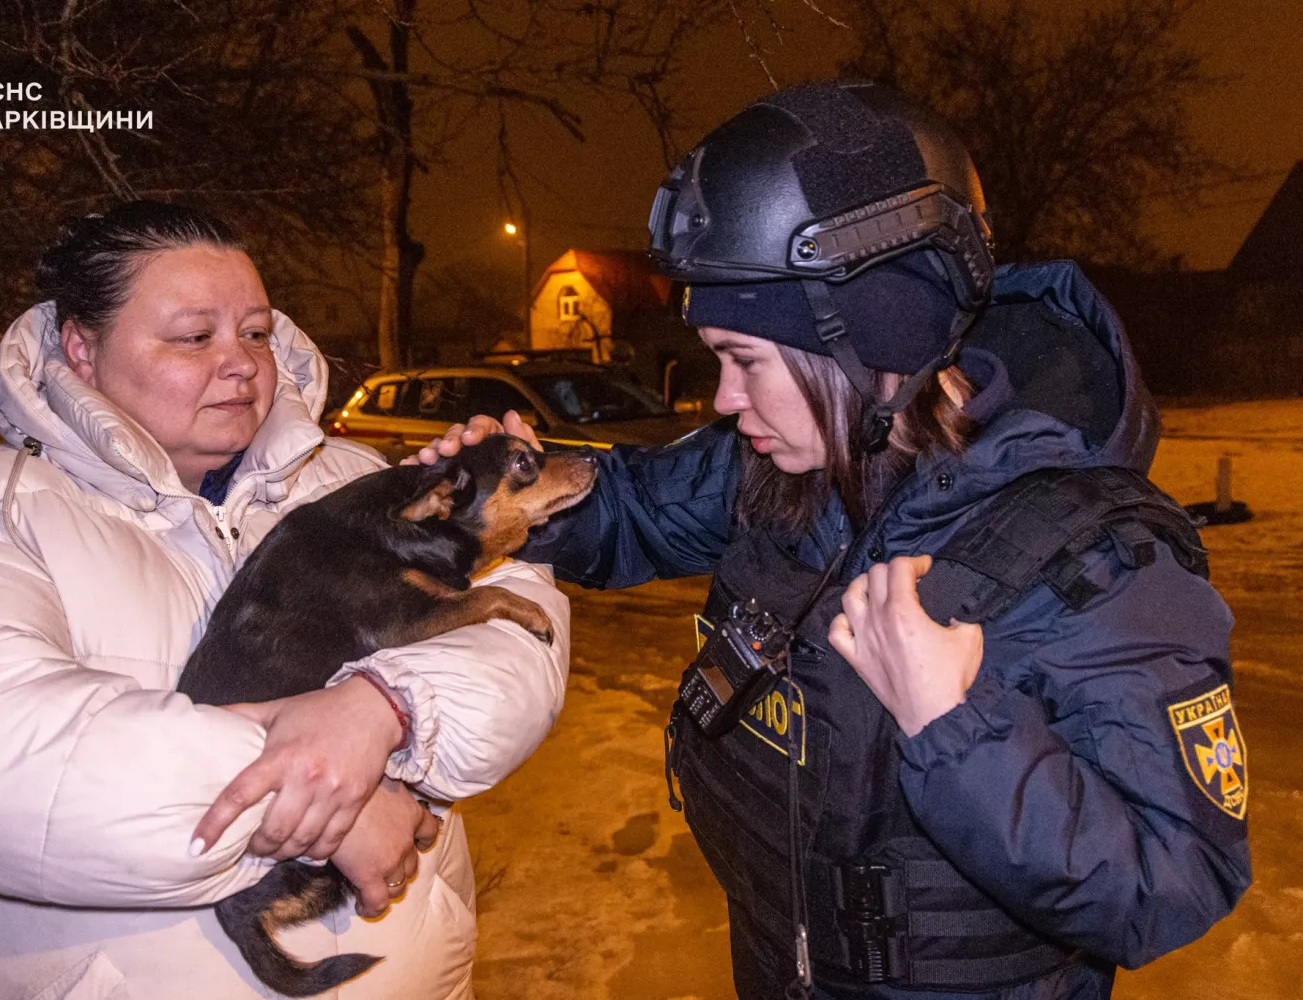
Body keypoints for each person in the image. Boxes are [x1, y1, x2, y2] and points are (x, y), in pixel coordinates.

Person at [414, 80, 1250, 999]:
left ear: (876, 338)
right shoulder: (787, 467)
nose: (725, 401)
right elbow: (628, 509)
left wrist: (953, 724)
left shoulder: (1092, 555)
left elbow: (1174, 878)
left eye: (746, 362)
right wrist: (500, 488)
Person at [0, 201, 570, 999]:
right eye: (195, 337)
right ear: (81, 351)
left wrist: (385, 709)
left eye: (256, 333)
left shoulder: (356, 483)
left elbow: (523, 631)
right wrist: (331, 795)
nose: (243, 364)